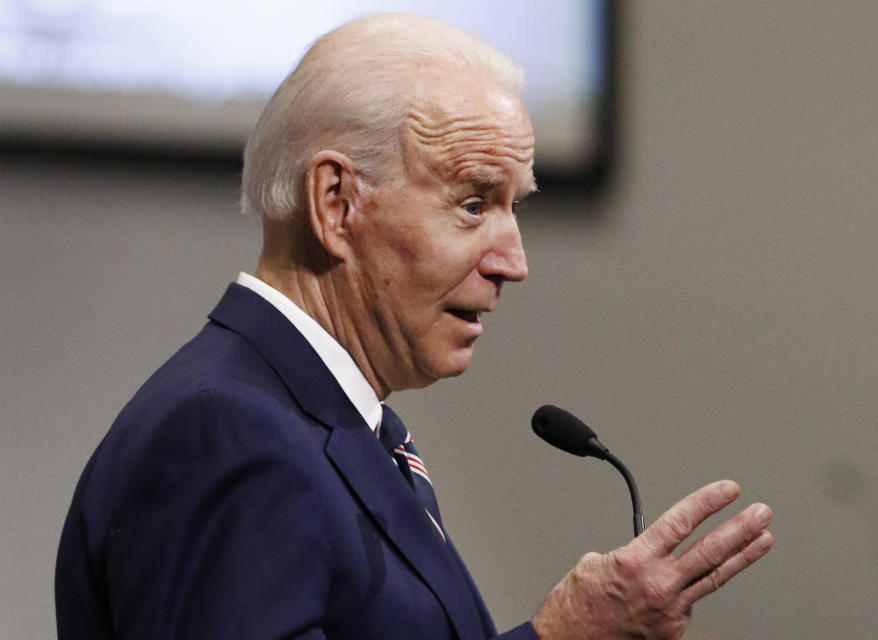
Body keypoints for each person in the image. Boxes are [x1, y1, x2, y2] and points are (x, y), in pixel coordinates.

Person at [55, 13, 773, 640]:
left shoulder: (340, 433)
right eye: (472, 204)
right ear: (336, 204)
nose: (514, 261)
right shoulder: (228, 437)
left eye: (513, 206)